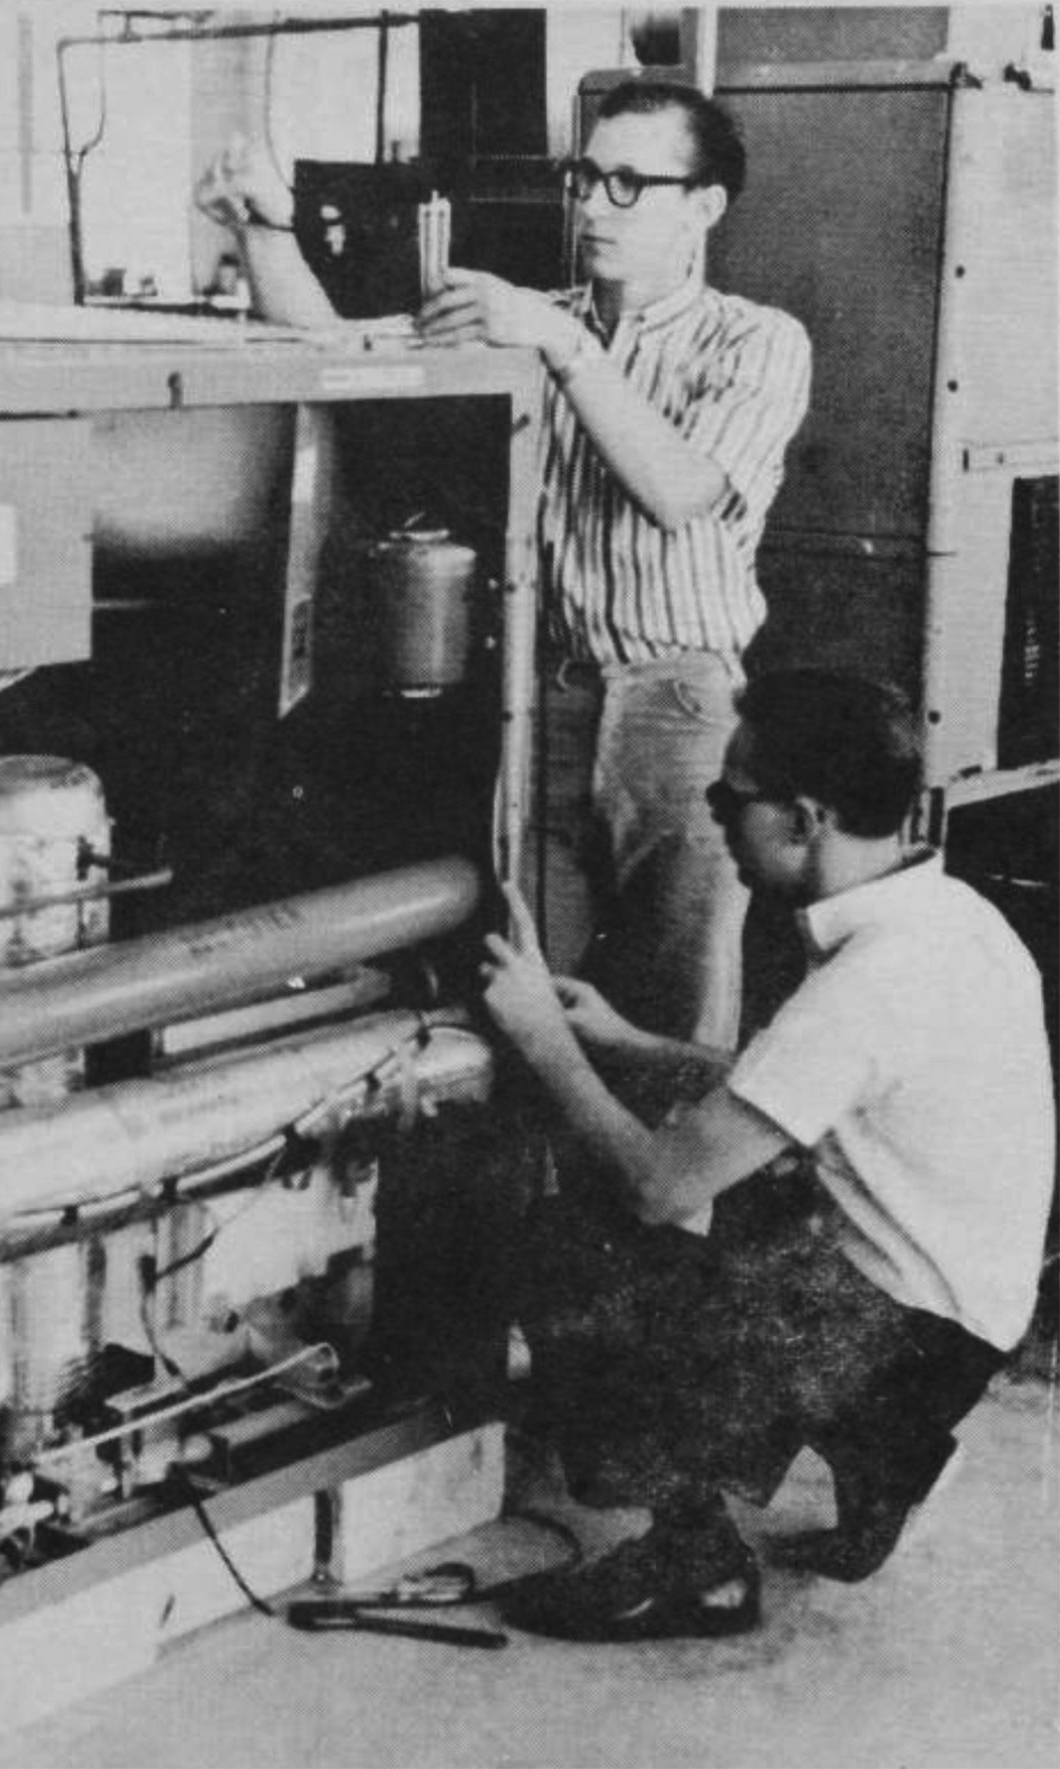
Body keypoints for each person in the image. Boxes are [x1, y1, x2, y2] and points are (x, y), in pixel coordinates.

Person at [195, 81, 812, 1048]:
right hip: (547, 697)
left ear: (704, 205)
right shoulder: (538, 320)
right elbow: (341, 360)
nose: (593, 206)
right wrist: (269, 235)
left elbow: (679, 490)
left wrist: (561, 344)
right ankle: (545, 1198)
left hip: (682, 715)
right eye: (586, 178)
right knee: (531, 997)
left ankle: (664, 1200)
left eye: (628, 185)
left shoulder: (755, 341)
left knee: (672, 1014)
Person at [479, 669, 1054, 1641]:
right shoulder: (947, 916)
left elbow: (662, 1189)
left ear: (803, 819)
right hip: (964, 1308)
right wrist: (618, 1037)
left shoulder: (866, 984)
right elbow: (796, 1086)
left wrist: (544, 1041)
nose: (715, 817)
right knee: (726, 1168)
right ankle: (883, 1456)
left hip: (900, 1326)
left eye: (727, 797)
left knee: (576, 1236)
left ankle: (697, 1563)